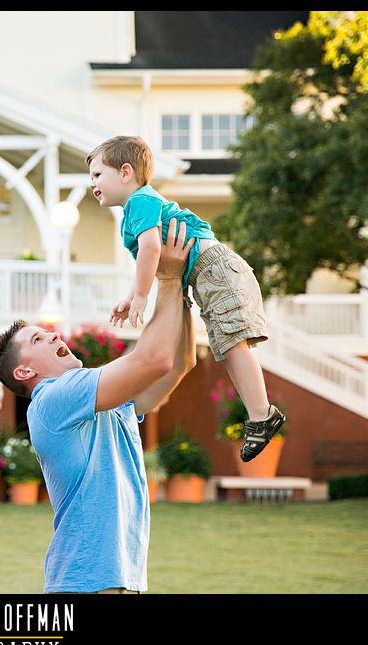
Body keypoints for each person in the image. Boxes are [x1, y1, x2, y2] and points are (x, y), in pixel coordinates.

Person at [0, 221, 196, 594]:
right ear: (25, 371)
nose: (55, 334)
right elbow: (155, 360)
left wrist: (182, 284)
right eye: (39, 338)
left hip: (121, 581)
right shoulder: (55, 398)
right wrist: (166, 279)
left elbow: (181, 363)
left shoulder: (106, 402)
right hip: (83, 585)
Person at [86, 135, 285, 462]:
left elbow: (152, 249)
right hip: (205, 274)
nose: (92, 183)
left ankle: (262, 414)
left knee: (234, 345)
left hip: (214, 269)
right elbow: (151, 257)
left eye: (97, 175)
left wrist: (140, 295)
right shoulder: (137, 208)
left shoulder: (140, 201)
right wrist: (130, 296)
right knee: (227, 348)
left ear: (125, 172)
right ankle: (258, 416)